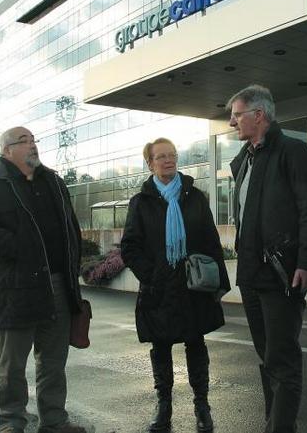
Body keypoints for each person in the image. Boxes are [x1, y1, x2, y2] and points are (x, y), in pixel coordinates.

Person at [0, 127, 86, 433]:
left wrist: (73, 265)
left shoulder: (54, 181)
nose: (32, 145)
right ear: (6, 151)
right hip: (14, 289)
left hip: (57, 285)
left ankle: (55, 421)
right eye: (23, 141)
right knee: (12, 366)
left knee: (53, 363)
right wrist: (17, 248)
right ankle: (11, 423)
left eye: (34, 141)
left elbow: (70, 227)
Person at [227, 85, 307, 433]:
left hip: (283, 275)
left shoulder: (294, 152)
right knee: (267, 358)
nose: (231, 122)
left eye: (237, 115)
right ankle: (277, 423)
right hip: (251, 276)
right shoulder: (246, 160)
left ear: (259, 115)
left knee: (282, 361)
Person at [120, 137, 230, 433]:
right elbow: (130, 246)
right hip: (159, 288)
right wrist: (152, 275)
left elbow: (211, 241)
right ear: (150, 163)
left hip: (192, 286)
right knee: (161, 347)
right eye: (161, 157)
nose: (168, 161)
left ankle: (202, 406)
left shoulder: (194, 196)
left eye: (172, 155)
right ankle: (164, 406)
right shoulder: (140, 202)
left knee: (196, 343)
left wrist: (219, 282)